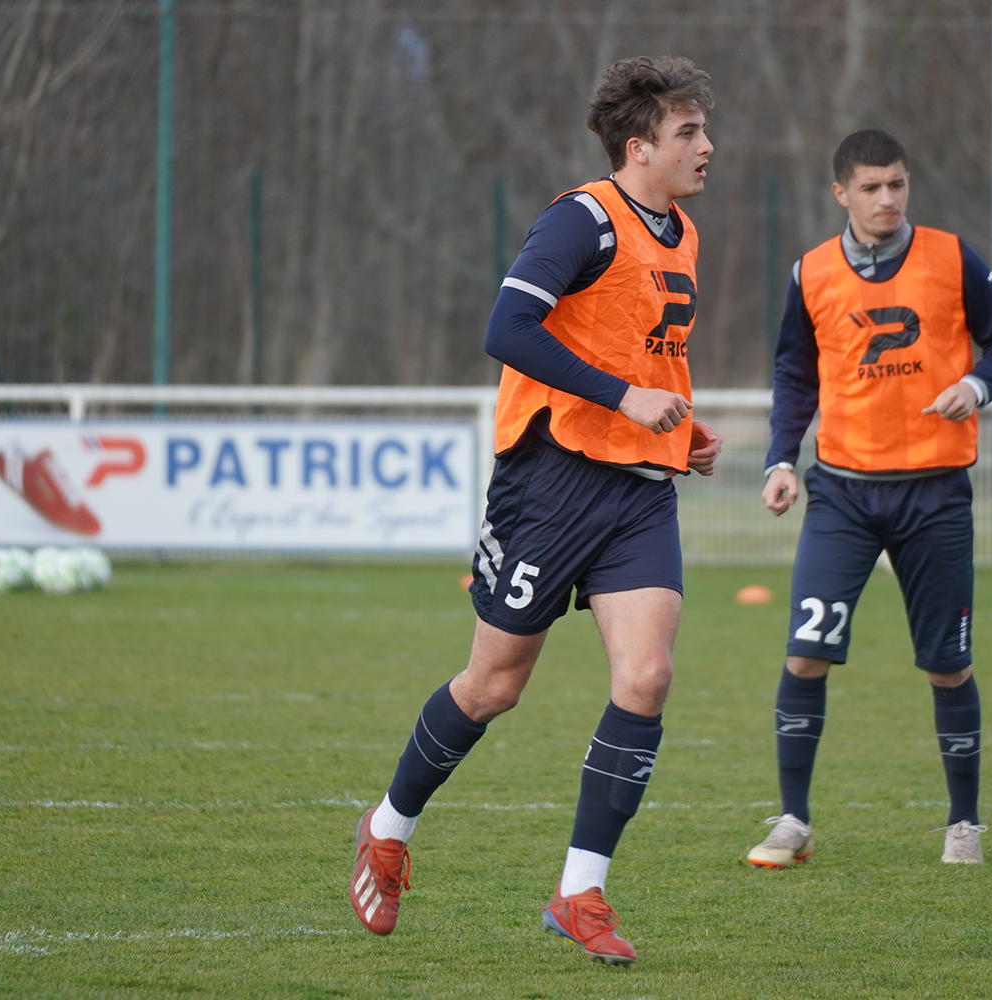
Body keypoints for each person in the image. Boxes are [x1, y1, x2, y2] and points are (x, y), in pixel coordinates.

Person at [349, 55, 721, 966]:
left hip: (637, 492)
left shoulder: (682, 232)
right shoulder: (582, 219)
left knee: (646, 678)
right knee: (494, 687)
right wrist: (621, 398)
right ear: (640, 148)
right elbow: (505, 331)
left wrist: (680, 428)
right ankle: (388, 828)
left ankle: (580, 893)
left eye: (704, 131)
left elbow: (645, 353)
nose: (708, 147)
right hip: (548, 483)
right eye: (689, 133)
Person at [745, 129, 992, 870]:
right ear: (841, 193)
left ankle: (963, 824)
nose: (887, 199)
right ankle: (792, 820)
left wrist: (975, 386)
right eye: (871, 187)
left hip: (935, 495)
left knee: (947, 664)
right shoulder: (811, 273)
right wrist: (780, 458)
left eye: (897, 184)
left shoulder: (951, 257)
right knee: (806, 654)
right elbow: (795, 375)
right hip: (841, 492)